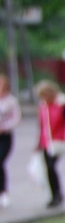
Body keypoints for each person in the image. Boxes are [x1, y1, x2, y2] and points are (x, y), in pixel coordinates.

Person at [34, 81, 65, 209]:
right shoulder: (43, 106)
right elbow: (41, 126)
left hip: (57, 142)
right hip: (45, 142)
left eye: (44, 95)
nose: (43, 98)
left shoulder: (61, 105)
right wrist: (38, 143)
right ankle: (55, 195)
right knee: (48, 169)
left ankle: (58, 194)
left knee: (51, 167)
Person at [0, 76, 18, 209]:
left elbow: (16, 119)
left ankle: (3, 191)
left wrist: (5, 127)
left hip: (5, 136)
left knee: (0, 161)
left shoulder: (11, 101)